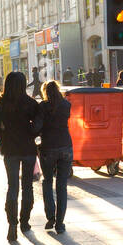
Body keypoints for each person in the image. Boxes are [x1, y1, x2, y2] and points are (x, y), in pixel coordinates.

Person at [0, 71, 43, 241]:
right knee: (27, 187)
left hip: (10, 150)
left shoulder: (3, 103)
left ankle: (12, 223)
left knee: (12, 186)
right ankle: (25, 222)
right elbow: (38, 125)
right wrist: (31, 133)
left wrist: (2, 140)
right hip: (28, 149)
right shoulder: (30, 103)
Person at [37, 80, 73, 234]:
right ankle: (60, 223)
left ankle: (50, 216)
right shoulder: (66, 105)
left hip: (48, 148)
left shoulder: (43, 106)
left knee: (47, 181)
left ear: (45, 92)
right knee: (62, 185)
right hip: (65, 146)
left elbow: (38, 126)